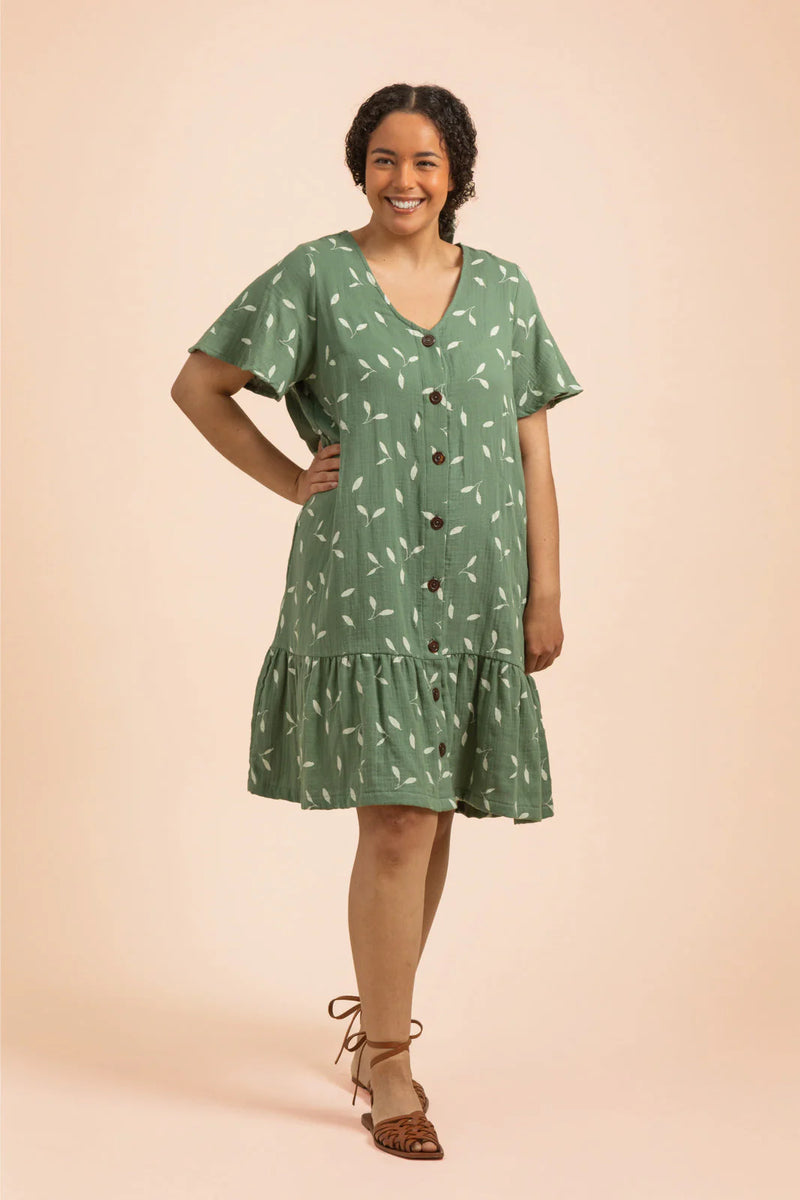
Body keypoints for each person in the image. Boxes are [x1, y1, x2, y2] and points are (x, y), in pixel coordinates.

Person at [171, 82, 583, 1161]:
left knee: (432, 814)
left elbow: (533, 450)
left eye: (425, 161)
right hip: (369, 576)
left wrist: (544, 591)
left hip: (480, 585)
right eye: (384, 159)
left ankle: (380, 1028)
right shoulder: (314, 276)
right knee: (397, 819)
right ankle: (389, 1062)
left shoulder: (503, 289)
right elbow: (200, 386)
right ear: (360, 167)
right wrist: (290, 480)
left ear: (456, 174)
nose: (403, 180)